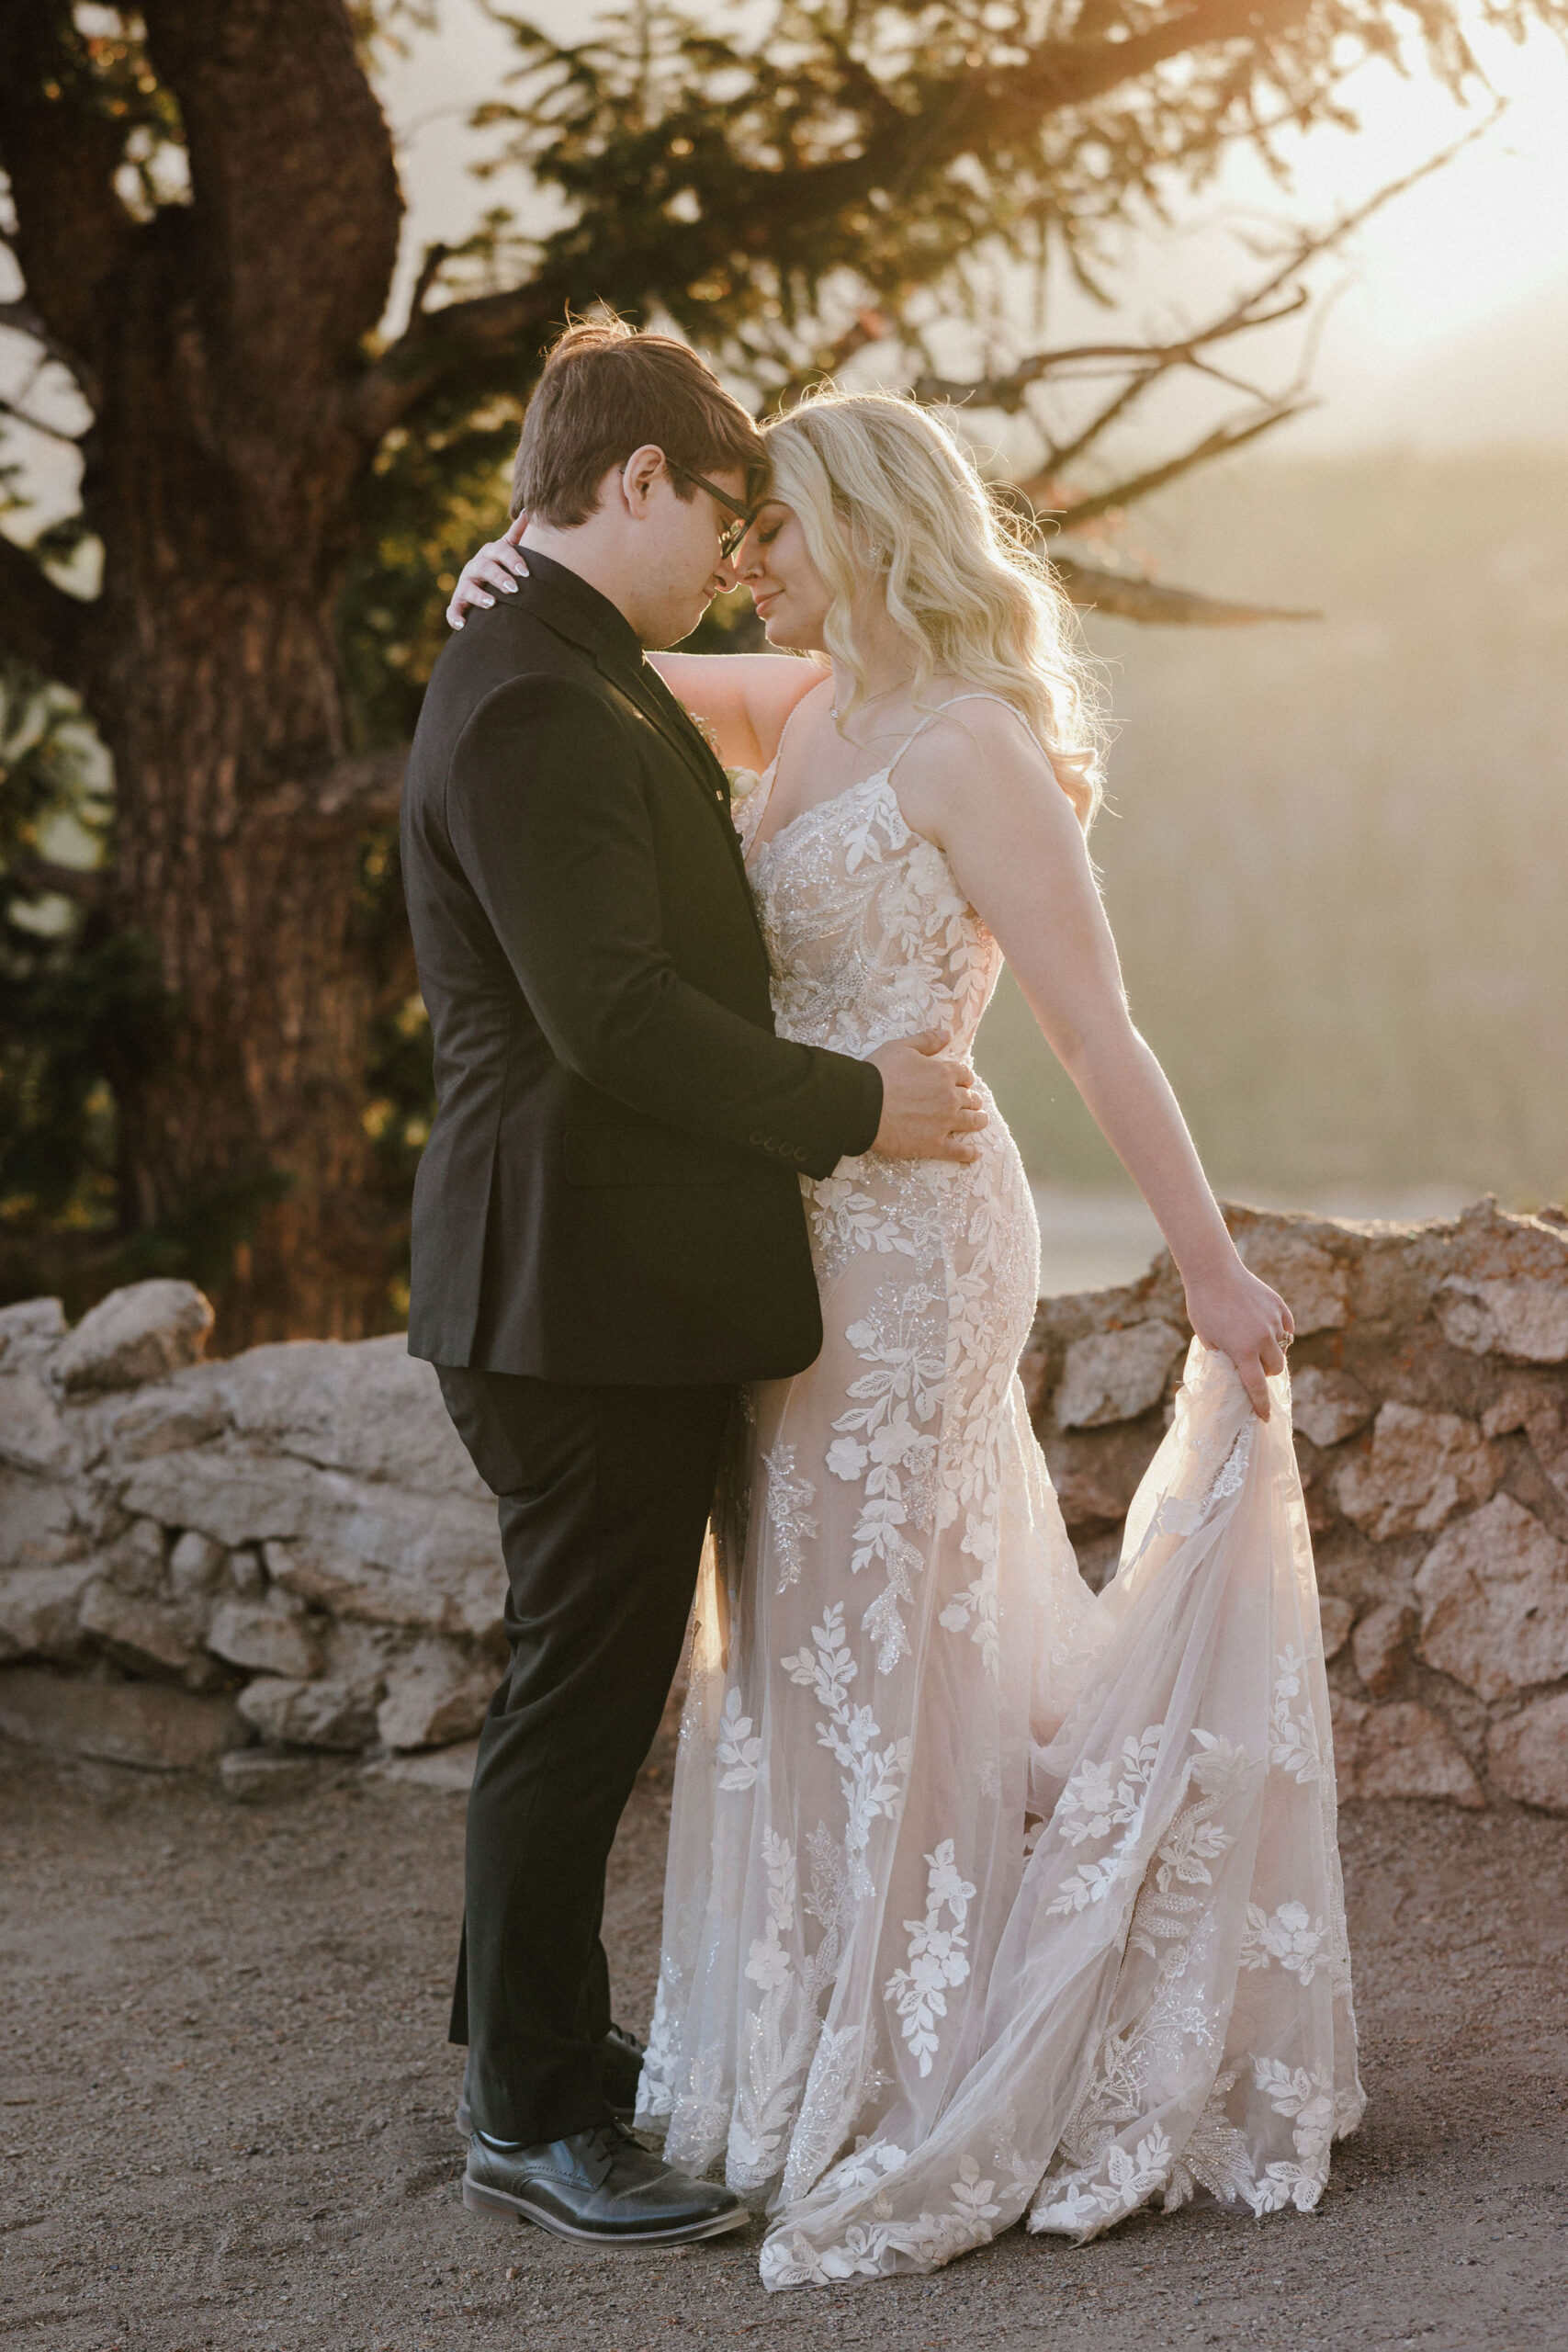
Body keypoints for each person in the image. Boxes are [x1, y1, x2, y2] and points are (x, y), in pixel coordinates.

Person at [447, 384, 1362, 2287]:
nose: (742, 561)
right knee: (796, 1647)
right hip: (778, 1241)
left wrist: (1204, 1266)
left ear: (859, 530)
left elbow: (1100, 1032)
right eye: (728, 522)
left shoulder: (970, 745)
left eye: (770, 530)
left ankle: (915, 2045)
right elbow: (604, 672)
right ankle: (793, 2034)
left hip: (917, 1234)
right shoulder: (798, 704)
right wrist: (505, 567)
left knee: (888, 1638)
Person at [402, 322, 985, 2251]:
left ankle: (538, 2041)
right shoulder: (535, 702)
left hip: (599, 1274)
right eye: (721, 517)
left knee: (580, 1682)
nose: (736, 561)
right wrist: (858, 1109)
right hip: (571, 1286)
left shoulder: (560, 664)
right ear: (635, 481)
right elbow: (613, 1015)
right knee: (575, 1697)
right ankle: (529, 2110)